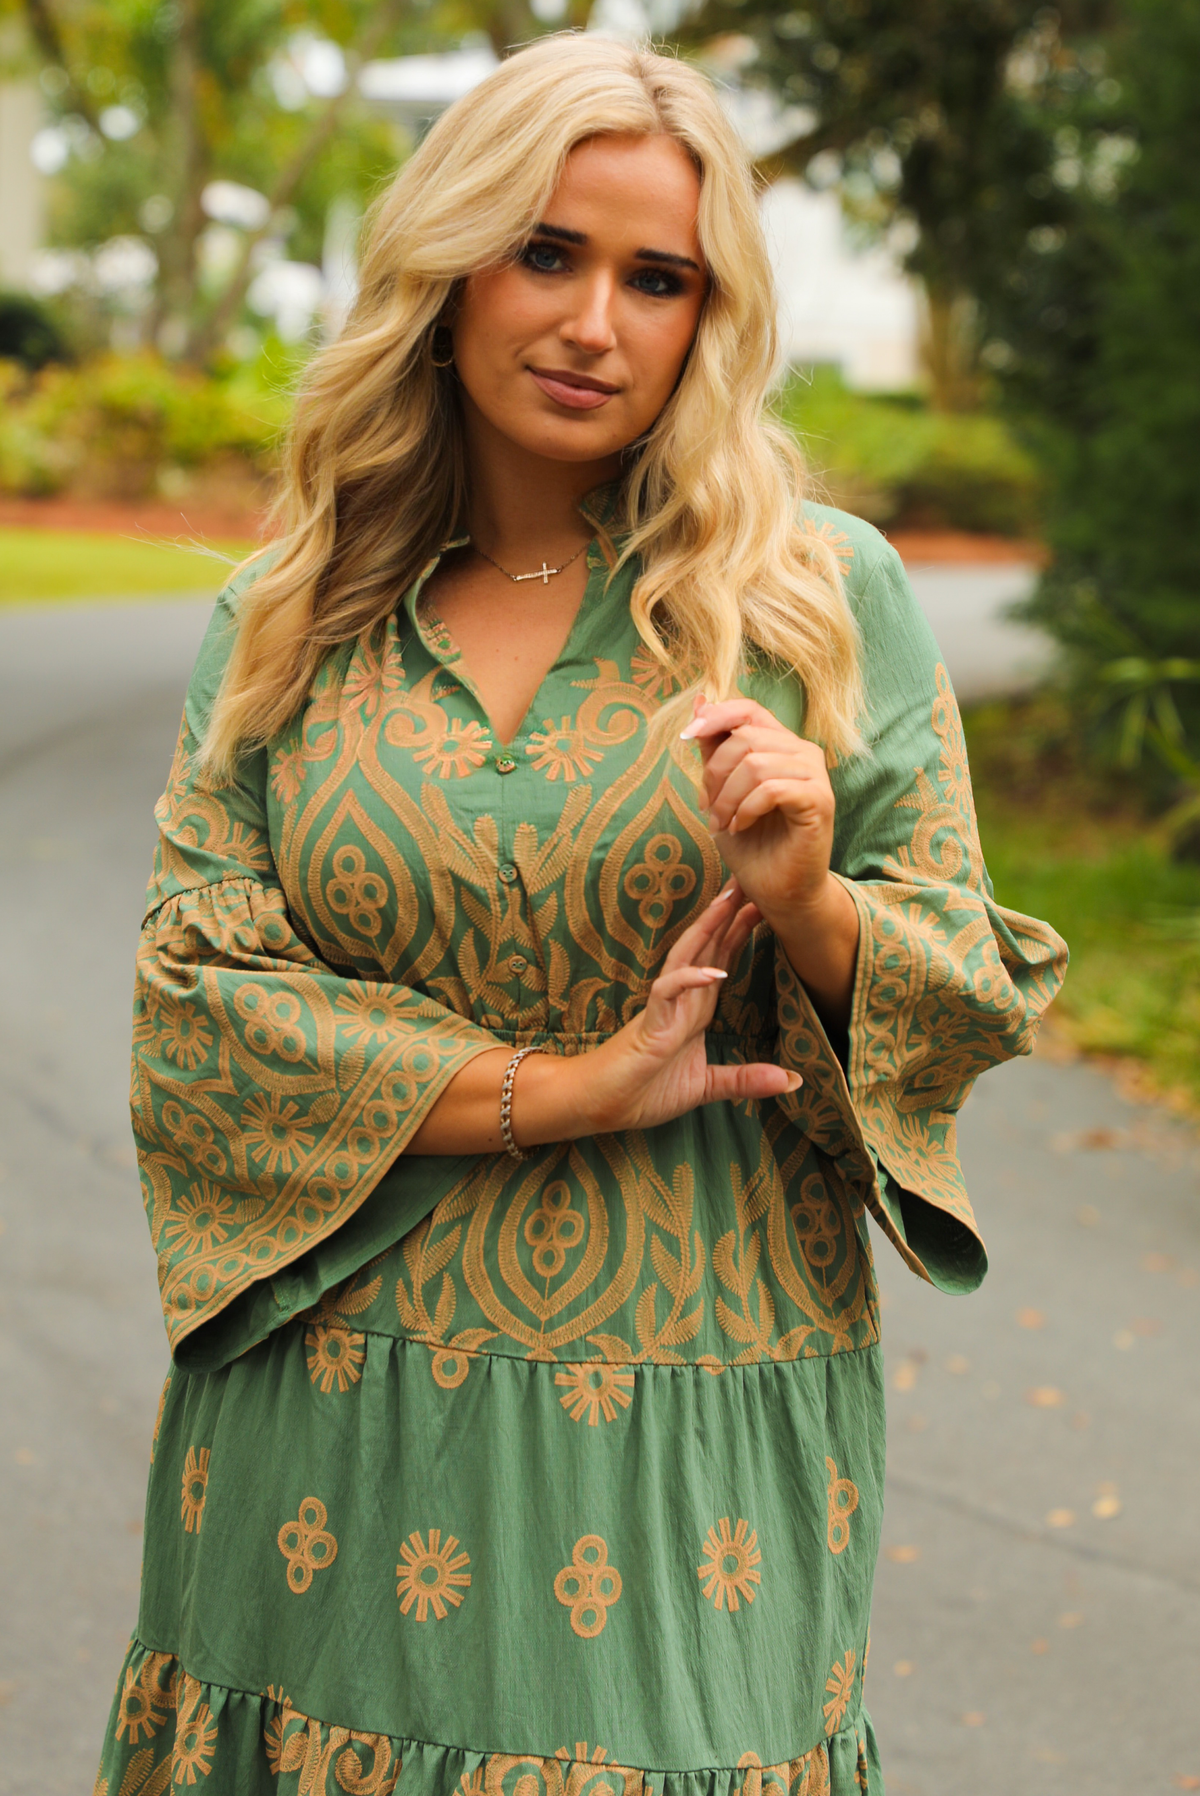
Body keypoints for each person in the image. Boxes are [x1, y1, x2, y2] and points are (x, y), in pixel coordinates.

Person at [94, 33, 1066, 1796]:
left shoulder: (818, 599)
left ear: (710, 314)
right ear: (452, 261)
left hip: (695, 1406)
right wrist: (565, 1090)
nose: (595, 322)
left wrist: (810, 898)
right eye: (548, 252)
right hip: (328, 1394)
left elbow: (970, 982)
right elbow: (195, 1011)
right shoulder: (289, 615)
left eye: (657, 277)